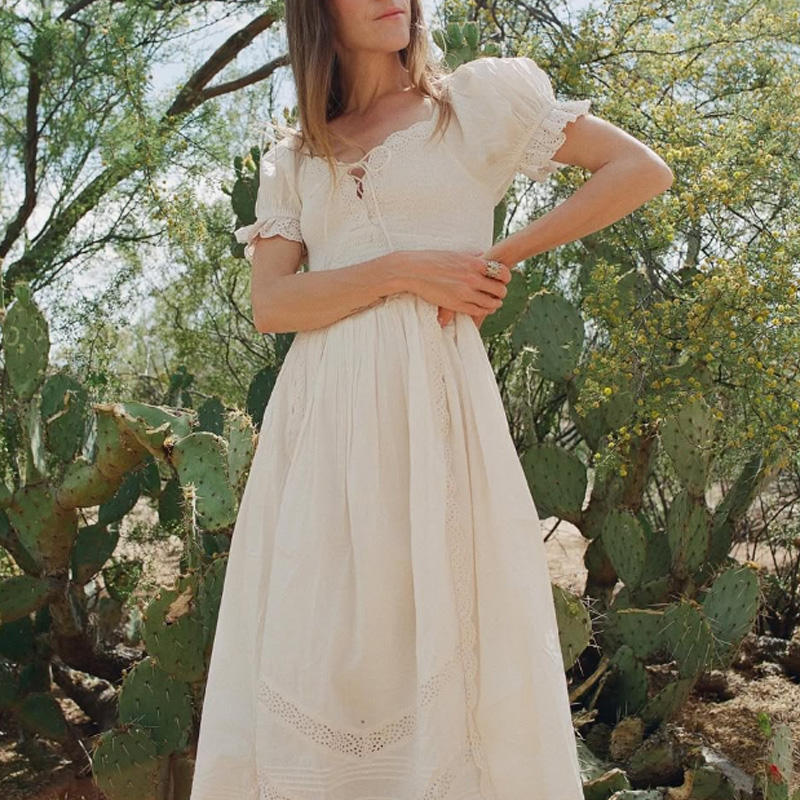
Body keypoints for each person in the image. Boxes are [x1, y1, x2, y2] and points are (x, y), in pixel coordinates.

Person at [190, 1, 673, 799]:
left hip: (437, 411)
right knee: (323, 643)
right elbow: (272, 304)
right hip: (321, 430)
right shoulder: (296, 155)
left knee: (449, 632)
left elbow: (640, 169)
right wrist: (402, 269)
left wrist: (501, 257)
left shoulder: (473, 105)